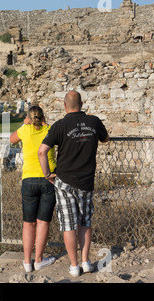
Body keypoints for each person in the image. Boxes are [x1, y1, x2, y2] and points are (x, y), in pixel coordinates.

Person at [38, 90, 109, 277]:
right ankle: (86, 262)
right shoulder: (94, 121)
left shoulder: (59, 126)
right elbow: (106, 139)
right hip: (86, 180)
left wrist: (47, 173)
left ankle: (74, 266)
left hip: (64, 182)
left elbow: (42, 151)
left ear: (64, 106)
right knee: (85, 222)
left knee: (69, 224)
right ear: (82, 104)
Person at [10, 105, 57, 272]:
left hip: (28, 179)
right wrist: (45, 124)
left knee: (28, 223)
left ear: (29, 118)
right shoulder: (50, 130)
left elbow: (11, 138)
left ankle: (26, 262)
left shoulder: (25, 130)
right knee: (43, 222)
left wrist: (25, 124)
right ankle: (38, 259)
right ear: (43, 117)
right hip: (48, 178)